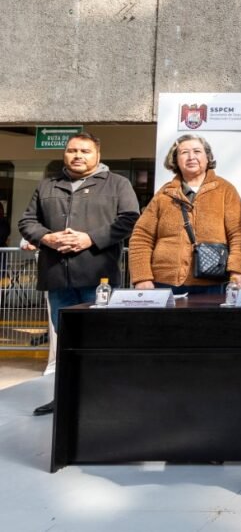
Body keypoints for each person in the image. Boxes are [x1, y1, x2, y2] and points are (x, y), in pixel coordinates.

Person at [18, 132, 140, 416]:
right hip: (57, 278)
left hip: (99, 279)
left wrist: (89, 239)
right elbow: (27, 221)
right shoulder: (48, 185)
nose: (78, 156)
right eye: (72, 150)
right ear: (65, 154)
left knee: (101, 339)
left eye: (85, 151)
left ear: (98, 155)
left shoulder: (117, 184)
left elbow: (129, 220)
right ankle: (65, 397)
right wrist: (47, 238)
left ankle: (104, 399)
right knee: (66, 341)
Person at [128, 135, 241, 295]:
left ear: (207, 157)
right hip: (164, 283)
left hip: (213, 283)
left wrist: (237, 271)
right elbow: (141, 236)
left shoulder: (225, 190)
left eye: (197, 151)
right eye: (184, 152)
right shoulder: (164, 194)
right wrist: (142, 277)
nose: (191, 157)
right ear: (175, 160)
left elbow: (240, 233)